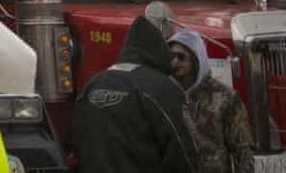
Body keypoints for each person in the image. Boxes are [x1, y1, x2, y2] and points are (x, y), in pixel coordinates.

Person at [71, 15, 199, 173]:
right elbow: (183, 150)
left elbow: (75, 143)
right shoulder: (162, 88)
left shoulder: (92, 85)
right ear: (159, 52)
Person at [169, 29, 254, 173]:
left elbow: (242, 148)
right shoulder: (165, 94)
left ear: (196, 59)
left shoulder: (224, 96)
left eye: (181, 57)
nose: (175, 61)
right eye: (171, 56)